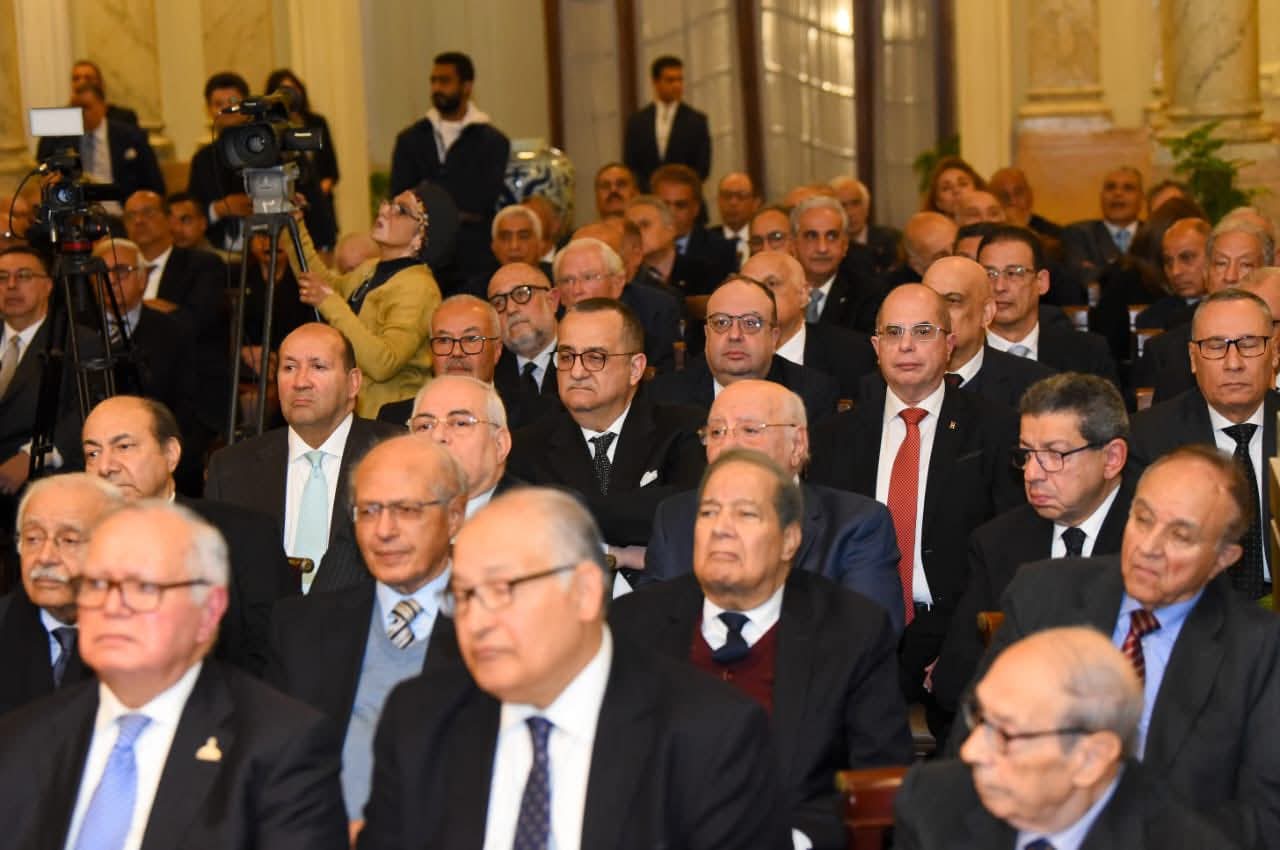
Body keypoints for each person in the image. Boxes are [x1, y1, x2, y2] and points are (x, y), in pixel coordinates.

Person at [357, 486, 790, 849]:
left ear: (584, 591)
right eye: (465, 595)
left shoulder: (707, 734)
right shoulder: (421, 719)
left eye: (503, 589)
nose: (478, 621)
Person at [970, 444, 1280, 848]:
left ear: (1224, 558)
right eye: (1143, 519)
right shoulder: (1043, 595)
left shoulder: (1258, 649)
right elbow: (970, 747)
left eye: (1180, 536)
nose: (1149, 547)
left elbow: (1264, 818)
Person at [0, 501, 348, 849]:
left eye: (144, 588)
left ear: (209, 610)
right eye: (97, 584)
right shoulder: (24, 738)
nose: (112, 606)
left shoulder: (279, 748)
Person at [615, 448, 911, 849]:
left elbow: (879, 779)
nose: (721, 529)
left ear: (789, 540)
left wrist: (792, 842)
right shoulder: (633, 624)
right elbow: (604, 766)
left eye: (746, 514)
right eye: (708, 513)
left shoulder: (850, 630)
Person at [808, 284, 1021, 728]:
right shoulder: (831, 438)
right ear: (876, 347)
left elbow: (1008, 552)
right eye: (893, 332)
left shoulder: (997, 429)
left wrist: (961, 649)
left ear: (949, 344)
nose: (906, 345)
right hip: (853, 634)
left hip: (955, 631)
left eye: (923, 332)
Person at [265, 435, 466, 827]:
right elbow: (272, 765)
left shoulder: (494, 628)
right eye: (369, 511)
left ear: (454, 515)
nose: (384, 530)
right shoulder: (301, 628)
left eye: (406, 510)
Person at [896, 627, 1240, 849]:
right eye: (980, 717)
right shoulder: (932, 803)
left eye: (1005, 734)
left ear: (1090, 759)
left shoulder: (1179, 841)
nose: (970, 751)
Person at [933, 373, 1135, 715]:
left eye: (1054, 454)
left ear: (1112, 458)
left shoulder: (1154, 542)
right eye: (1027, 454)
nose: (1031, 474)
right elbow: (956, 682)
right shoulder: (997, 543)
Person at [645, 379, 903, 628]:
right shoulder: (675, 516)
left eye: (750, 430)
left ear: (797, 444)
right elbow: (649, 626)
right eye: (716, 432)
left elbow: (870, 632)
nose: (728, 446)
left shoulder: (855, 523)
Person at [83, 395, 296, 673]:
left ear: (171, 454)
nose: (105, 467)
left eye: (124, 447)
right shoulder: (74, 541)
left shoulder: (244, 535)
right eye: (92, 454)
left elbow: (274, 652)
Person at [206, 323, 402, 593]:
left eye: (318, 367)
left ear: (353, 382)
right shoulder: (232, 468)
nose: (300, 382)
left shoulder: (397, 453)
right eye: (289, 368)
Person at [506, 298, 705, 548]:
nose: (577, 372)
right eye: (566, 357)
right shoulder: (525, 448)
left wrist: (559, 511)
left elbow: (682, 514)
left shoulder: (683, 429)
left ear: (635, 368)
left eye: (595, 357)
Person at [1129, 288, 1279, 600]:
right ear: (1193, 359)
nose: (1233, 363)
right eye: (1215, 346)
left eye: (1249, 344)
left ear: (1275, 352)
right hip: (1193, 604)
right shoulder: (1147, 437)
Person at [290, 187, 441, 419]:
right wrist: (294, 224)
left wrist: (329, 301)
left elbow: (383, 363)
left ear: (419, 237)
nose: (384, 210)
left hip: (389, 421)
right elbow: (321, 283)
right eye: (389, 203)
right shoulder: (371, 268)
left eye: (401, 210)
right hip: (359, 415)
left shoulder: (419, 288)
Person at [121, 189, 230, 486]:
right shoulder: (115, 269)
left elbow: (197, 321)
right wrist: (160, 308)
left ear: (169, 219)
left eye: (148, 212)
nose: (139, 221)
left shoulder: (201, 264)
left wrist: (140, 308)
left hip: (187, 388)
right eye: (131, 215)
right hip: (131, 384)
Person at [0, 474, 122, 714]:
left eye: (69, 540)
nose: (45, 557)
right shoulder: (5, 620)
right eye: (33, 539)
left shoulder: (145, 637)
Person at [648, 276, 840, 423]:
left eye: (750, 323)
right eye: (721, 322)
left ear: (773, 337)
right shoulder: (665, 397)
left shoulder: (811, 395)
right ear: (707, 334)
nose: (734, 335)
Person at [389, 51, 511, 281]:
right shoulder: (410, 139)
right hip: (419, 253)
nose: (437, 88)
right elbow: (400, 195)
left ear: (467, 87)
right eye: (433, 81)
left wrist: (429, 198)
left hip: (473, 257)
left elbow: (480, 201)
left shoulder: (493, 142)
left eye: (444, 81)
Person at [1136, 218, 1275, 402]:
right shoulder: (1168, 352)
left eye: (1245, 265)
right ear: (1206, 273)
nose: (1230, 277)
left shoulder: (1275, 337)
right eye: (1221, 263)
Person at [979, 225, 1119, 384]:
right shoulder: (961, 353)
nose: (999, 287)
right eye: (989, 274)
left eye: (1013, 273)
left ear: (1041, 282)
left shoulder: (1088, 353)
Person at [742, 249, 877, 401]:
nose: (758, 295)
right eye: (749, 287)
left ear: (803, 294)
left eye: (771, 284)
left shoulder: (854, 355)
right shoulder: (728, 355)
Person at [922, 255, 1052, 409]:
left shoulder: (1036, 386)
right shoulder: (899, 377)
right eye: (928, 301)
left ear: (986, 313)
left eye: (952, 301)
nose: (936, 313)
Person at [554, 236, 681, 374]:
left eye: (588, 277)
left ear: (617, 283)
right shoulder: (552, 318)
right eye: (567, 280)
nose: (576, 290)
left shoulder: (656, 311)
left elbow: (664, 375)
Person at [410, 375, 521, 517]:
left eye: (460, 423)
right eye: (425, 426)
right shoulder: (390, 512)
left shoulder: (535, 519)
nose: (437, 436)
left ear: (500, 444)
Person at [36, 83, 164, 205]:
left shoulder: (131, 137)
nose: (79, 114)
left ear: (103, 107)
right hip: (80, 211)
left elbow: (155, 185)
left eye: (85, 107)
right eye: (75, 108)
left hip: (122, 209)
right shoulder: (62, 140)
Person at [265, 68, 341, 250]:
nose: (290, 96)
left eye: (293, 89)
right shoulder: (270, 128)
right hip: (287, 204)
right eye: (284, 91)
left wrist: (317, 192)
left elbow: (331, 168)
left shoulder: (316, 122)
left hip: (320, 203)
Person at [792, 195, 886, 335]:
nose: (822, 248)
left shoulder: (868, 295)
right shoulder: (778, 292)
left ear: (845, 245)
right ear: (794, 245)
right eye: (811, 236)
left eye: (832, 236)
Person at [487, 262, 564, 429]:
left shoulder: (582, 359)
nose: (511, 309)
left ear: (552, 300)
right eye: (498, 303)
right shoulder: (490, 374)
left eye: (522, 294)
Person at [186, 72, 253, 252]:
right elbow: (191, 211)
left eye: (233, 102)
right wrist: (219, 209)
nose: (227, 109)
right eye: (218, 104)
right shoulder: (202, 160)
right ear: (209, 110)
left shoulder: (269, 150)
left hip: (268, 249)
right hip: (216, 251)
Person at [623, 55, 711, 190]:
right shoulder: (637, 122)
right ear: (656, 82)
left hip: (684, 195)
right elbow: (630, 166)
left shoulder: (696, 121)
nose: (677, 85)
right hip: (647, 195)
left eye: (680, 80)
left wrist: (678, 189)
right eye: (670, 80)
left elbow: (702, 168)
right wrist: (651, 190)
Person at [652, 164, 736, 283]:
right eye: (664, 205)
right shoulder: (641, 248)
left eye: (680, 205)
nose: (671, 213)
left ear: (695, 208)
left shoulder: (721, 251)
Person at [1062, 166, 1145, 276]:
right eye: (1110, 187)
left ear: (1142, 198)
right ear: (1101, 196)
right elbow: (1082, 277)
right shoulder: (1078, 234)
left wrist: (1099, 272)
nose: (1118, 193)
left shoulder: (1154, 234)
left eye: (1128, 188)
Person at [830, 175, 901, 274]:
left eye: (855, 203)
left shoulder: (891, 240)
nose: (850, 213)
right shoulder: (828, 247)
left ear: (866, 207)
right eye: (843, 205)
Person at [880, 211, 959, 290]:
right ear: (918, 267)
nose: (956, 259)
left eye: (956, 247)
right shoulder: (901, 292)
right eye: (943, 256)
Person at [987, 166, 1063, 239]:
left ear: (1030, 194)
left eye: (1018, 193)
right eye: (1004, 196)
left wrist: (1021, 228)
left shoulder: (1054, 233)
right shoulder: (988, 234)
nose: (1013, 201)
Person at [709, 171, 760, 270]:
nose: (733, 202)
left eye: (741, 196)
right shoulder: (705, 242)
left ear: (755, 203)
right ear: (718, 201)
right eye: (727, 196)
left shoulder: (762, 240)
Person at [69, 59, 138, 125]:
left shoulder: (124, 118)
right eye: (76, 79)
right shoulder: (66, 118)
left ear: (101, 84)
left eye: (88, 78)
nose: (82, 83)